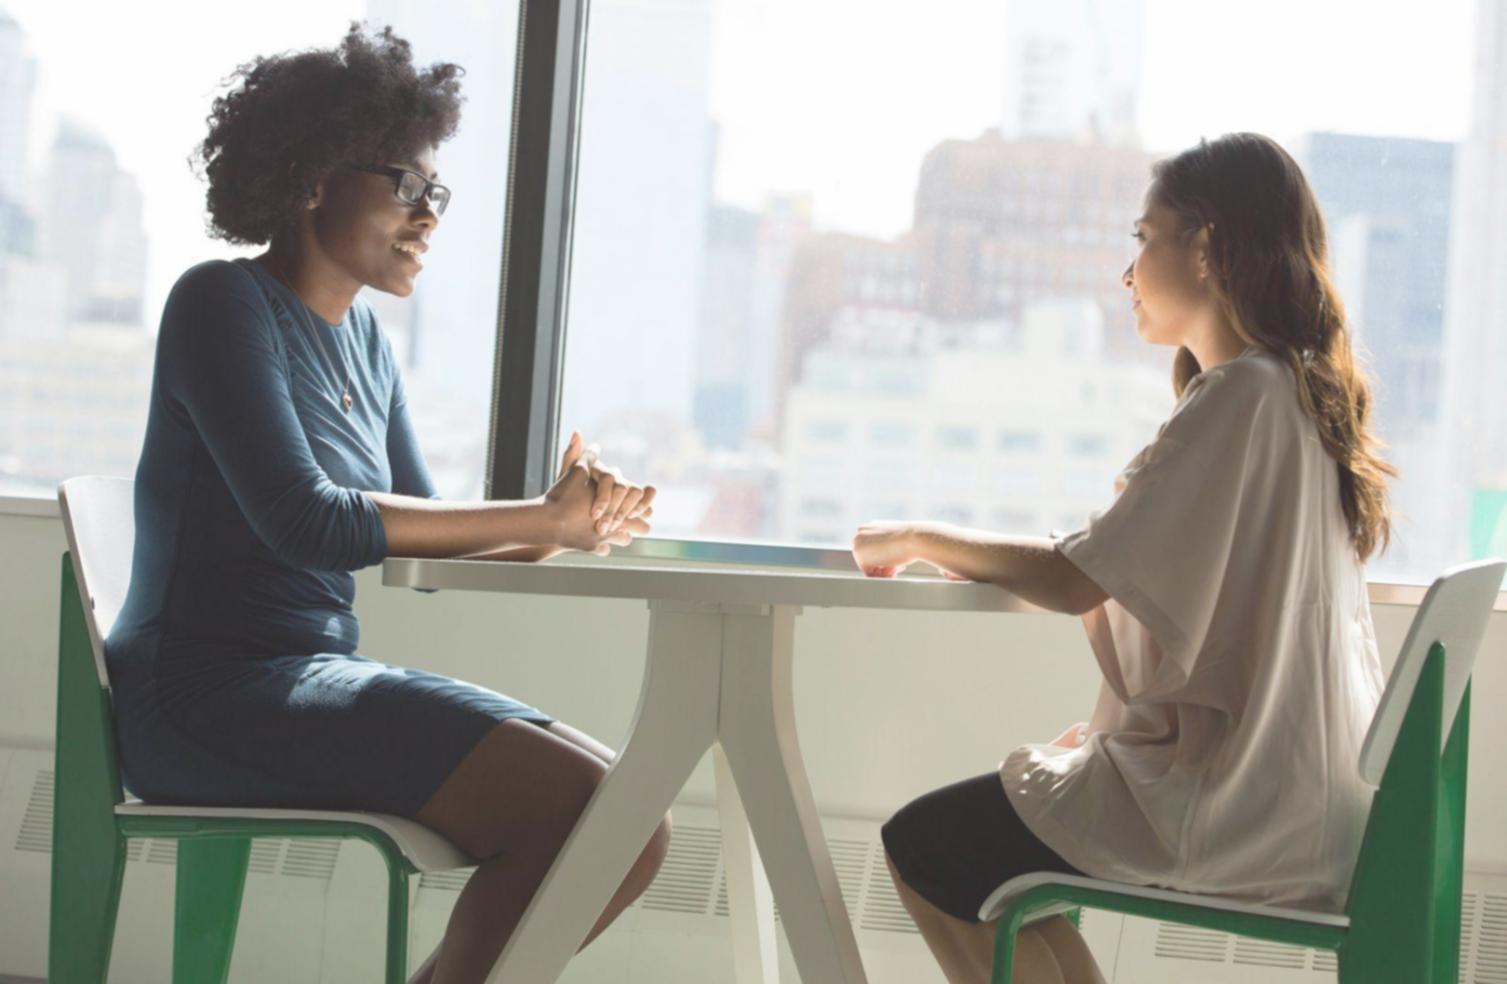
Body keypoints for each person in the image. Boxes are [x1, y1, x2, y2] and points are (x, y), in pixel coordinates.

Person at [104, 24, 668, 984]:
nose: (430, 216)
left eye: (434, 192)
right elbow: (310, 520)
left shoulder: (367, 343)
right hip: (203, 697)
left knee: (630, 821)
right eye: (407, 186)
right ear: (315, 176)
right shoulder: (219, 304)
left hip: (304, 678)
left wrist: (574, 527)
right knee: (585, 815)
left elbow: (425, 553)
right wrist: (541, 518)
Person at [852, 132, 1395, 984]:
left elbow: (1077, 578)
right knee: (1000, 867)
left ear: (1206, 247)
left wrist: (919, 537)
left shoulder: (1242, 395)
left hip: (1235, 804)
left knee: (927, 847)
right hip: (1295, 794)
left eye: (1142, 239)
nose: (1126, 269)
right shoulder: (1293, 395)